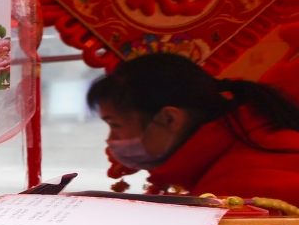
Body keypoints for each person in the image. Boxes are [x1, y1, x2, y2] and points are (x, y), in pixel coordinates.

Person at [88, 51, 299, 201]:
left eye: (115, 125)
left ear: (170, 119)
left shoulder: (239, 189)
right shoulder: (253, 140)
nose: (111, 140)